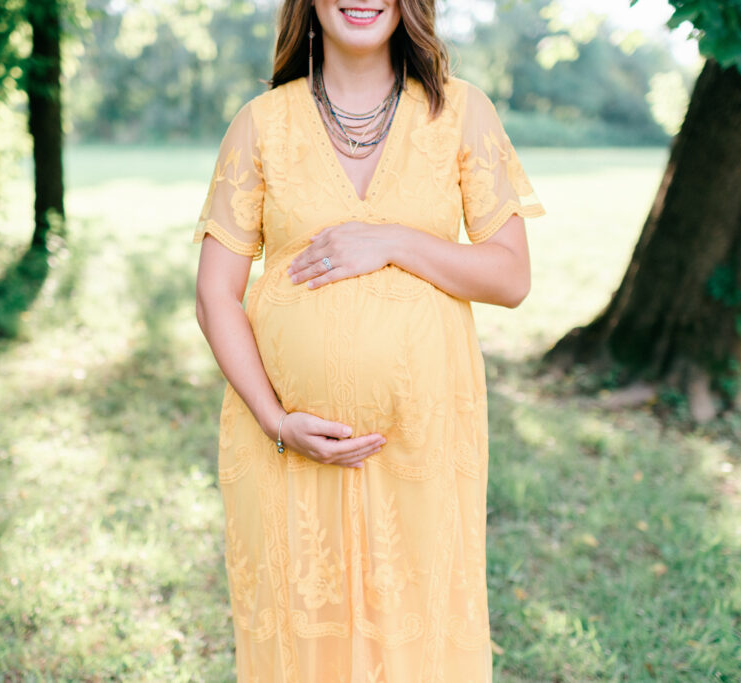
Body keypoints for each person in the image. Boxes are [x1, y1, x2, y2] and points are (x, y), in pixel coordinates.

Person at [194, 1, 544, 680]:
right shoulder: (260, 124)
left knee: (419, 641)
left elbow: (511, 275)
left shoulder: (461, 113)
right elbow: (215, 294)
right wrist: (276, 421)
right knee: (301, 644)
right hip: (286, 450)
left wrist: (392, 241)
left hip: (424, 445)